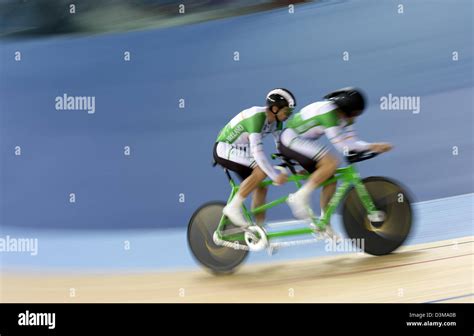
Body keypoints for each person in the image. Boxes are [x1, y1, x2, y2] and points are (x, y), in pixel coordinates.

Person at [278, 87, 392, 231]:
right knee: (331, 163)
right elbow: (343, 146)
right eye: (354, 113)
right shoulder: (328, 113)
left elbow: (352, 141)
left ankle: (324, 223)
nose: (355, 118)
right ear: (345, 109)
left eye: (358, 114)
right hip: (289, 140)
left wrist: (371, 146)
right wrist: (371, 147)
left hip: (301, 142)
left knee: (331, 179)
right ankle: (298, 198)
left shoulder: (346, 116)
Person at [213, 88, 296, 227]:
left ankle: (260, 229)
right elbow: (258, 153)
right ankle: (233, 208)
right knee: (262, 171)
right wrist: (275, 176)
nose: (288, 115)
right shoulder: (256, 117)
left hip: (242, 151)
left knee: (261, 187)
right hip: (224, 148)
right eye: (287, 111)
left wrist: (294, 166)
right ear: (275, 108)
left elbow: (282, 147)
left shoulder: (278, 121)